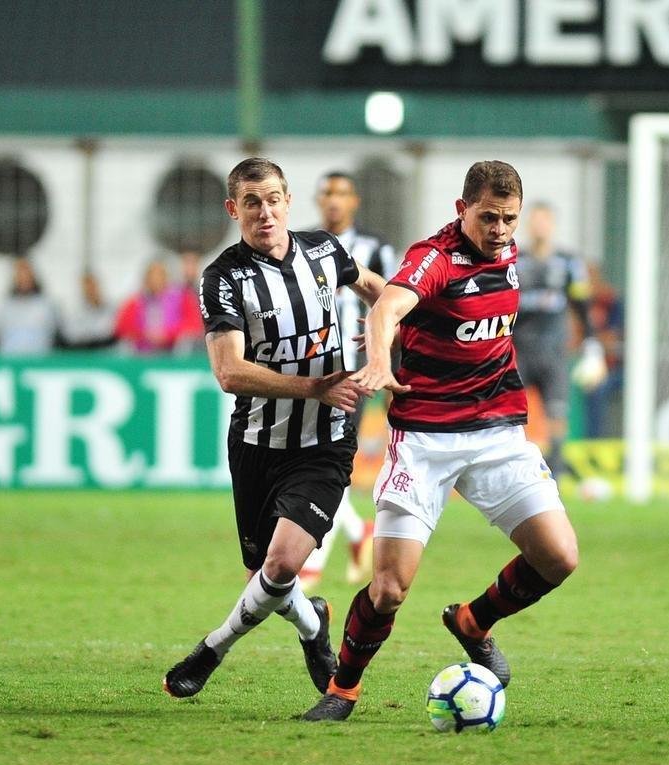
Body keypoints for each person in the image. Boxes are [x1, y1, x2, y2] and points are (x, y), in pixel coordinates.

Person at [303, 160, 579, 722]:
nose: (500, 230)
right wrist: (380, 358)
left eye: (509, 219)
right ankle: (343, 689)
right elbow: (388, 306)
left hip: (498, 432)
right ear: (461, 210)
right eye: (488, 218)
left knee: (559, 556)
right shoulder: (433, 258)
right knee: (388, 590)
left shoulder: (508, 253)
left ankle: (474, 621)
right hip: (425, 439)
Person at [162, 157, 388, 706]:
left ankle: (210, 650)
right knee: (263, 579)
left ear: (288, 200)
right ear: (232, 209)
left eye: (273, 199)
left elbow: (380, 291)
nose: (265, 212)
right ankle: (315, 628)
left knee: (283, 565)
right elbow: (229, 372)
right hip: (256, 444)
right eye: (252, 202)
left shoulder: (325, 252)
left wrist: (386, 330)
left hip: (325, 442)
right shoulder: (222, 277)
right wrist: (314, 386)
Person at [298, 171, 398, 591]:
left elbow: (394, 301)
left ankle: (312, 562)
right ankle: (358, 533)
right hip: (308, 366)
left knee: (325, 461)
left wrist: (388, 361)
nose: (333, 201)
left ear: (354, 200)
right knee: (310, 459)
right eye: (327, 194)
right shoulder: (301, 246)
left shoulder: (375, 248)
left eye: (341, 193)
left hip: (355, 368)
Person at [514, 202, 590, 477]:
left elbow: (581, 304)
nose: (539, 227)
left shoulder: (568, 261)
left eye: (544, 221)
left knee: (556, 414)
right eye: (535, 221)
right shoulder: (514, 258)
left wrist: (590, 343)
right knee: (513, 413)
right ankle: (516, 471)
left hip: (554, 350)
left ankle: (555, 472)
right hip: (519, 348)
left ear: (553, 225)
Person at [114, 259, 202, 354]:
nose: (156, 280)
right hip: (141, 350)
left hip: (173, 349)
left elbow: (194, 324)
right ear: (146, 280)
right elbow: (121, 328)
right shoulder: (135, 302)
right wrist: (144, 334)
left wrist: (168, 334)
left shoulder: (182, 298)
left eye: (159, 276)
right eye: (152, 277)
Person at [581, 263, 624, 438]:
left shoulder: (611, 302)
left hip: (614, 368)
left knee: (597, 389)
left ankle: (594, 441)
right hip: (579, 365)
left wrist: (588, 340)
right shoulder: (578, 304)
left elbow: (612, 338)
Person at [0, 258, 62, 355]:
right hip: (9, 364)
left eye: (26, 274)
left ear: (33, 276)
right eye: (20, 275)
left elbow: (60, 337)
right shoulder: (4, 306)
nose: (24, 279)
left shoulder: (47, 305)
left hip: (39, 364)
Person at [61, 272, 117, 350]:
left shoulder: (112, 310)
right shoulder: (74, 312)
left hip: (106, 354)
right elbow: (71, 336)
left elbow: (113, 334)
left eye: (93, 286)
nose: (90, 290)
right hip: (84, 355)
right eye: (87, 287)